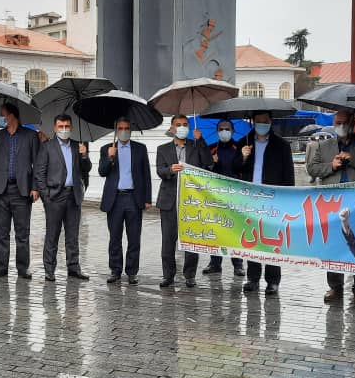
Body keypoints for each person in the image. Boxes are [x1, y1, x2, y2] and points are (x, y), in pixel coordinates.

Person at [306, 110, 355, 306]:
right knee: (334, 245)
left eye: (343, 122)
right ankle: (335, 287)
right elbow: (312, 168)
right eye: (337, 122)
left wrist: (352, 159)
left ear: (352, 123)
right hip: (332, 203)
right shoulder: (323, 145)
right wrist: (331, 166)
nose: (340, 125)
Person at [237, 111, 295, 295]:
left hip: (273, 199)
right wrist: (242, 157)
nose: (262, 124)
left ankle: (273, 281)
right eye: (259, 121)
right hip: (249, 198)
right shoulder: (243, 142)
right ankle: (252, 278)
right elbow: (234, 169)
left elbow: (289, 175)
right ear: (253, 122)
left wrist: (287, 199)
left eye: (266, 121)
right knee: (251, 238)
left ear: (271, 122)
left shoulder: (282, 145)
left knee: (271, 240)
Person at [0, 102, 40, 280]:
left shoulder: (30, 136)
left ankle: (23, 268)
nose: (1, 118)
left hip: (21, 190)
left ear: (12, 116)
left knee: (22, 232)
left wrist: (35, 187)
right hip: (1, 190)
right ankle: (1, 267)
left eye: (3, 115)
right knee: (1, 232)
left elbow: (37, 164)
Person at [156, 114, 212, 289]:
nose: (182, 127)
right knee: (168, 240)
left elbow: (208, 164)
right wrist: (170, 170)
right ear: (172, 128)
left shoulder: (196, 147)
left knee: (191, 240)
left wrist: (200, 140)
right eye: (178, 125)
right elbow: (160, 170)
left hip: (191, 201)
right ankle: (168, 275)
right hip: (169, 201)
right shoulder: (162, 149)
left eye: (185, 124)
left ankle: (189, 275)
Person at [34, 114, 91, 282]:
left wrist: (84, 156)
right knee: (52, 235)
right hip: (54, 196)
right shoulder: (47, 147)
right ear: (55, 128)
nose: (64, 129)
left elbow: (86, 170)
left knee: (73, 235)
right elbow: (39, 173)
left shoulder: (78, 146)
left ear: (71, 127)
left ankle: (73, 268)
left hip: (73, 196)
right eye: (61, 126)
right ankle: (49, 269)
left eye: (67, 126)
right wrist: (46, 196)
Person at [98, 117, 152, 285]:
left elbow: (146, 175)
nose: (123, 131)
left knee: (134, 238)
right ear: (115, 131)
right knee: (115, 238)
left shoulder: (140, 149)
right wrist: (109, 158)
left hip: (134, 198)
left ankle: (132, 272)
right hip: (114, 199)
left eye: (126, 128)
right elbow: (102, 171)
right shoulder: (106, 148)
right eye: (120, 128)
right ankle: (115, 270)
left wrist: (147, 199)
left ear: (130, 130)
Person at [202, 119, 246, 279]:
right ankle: (215, 263)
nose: (224, 131)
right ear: (217, 131)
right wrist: (211, 163)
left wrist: (244, 157)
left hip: (235, 195)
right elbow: (203, 171)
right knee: (216, 229)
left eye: (227, 129)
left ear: (232, 131)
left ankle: (238, 265)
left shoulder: (240, 147)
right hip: (215, 195)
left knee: (235, 230)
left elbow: (243, 168)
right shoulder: (211, 148)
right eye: (221, 129)